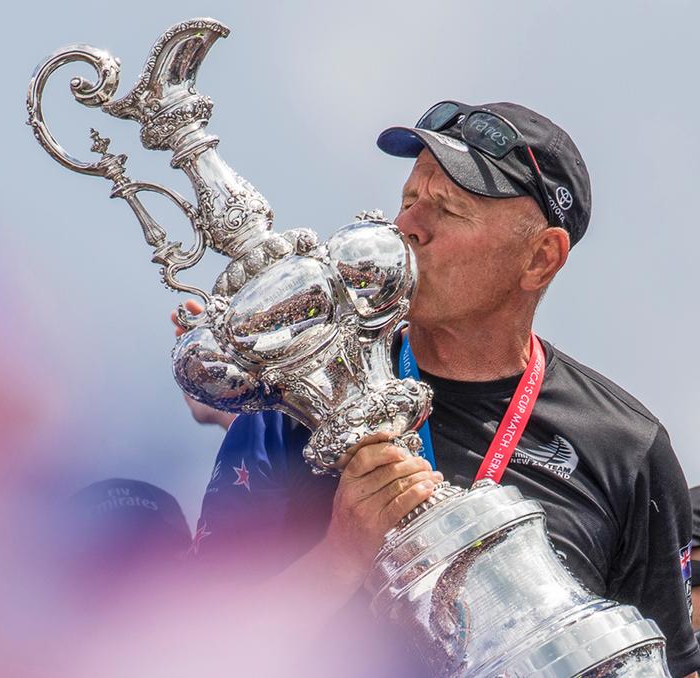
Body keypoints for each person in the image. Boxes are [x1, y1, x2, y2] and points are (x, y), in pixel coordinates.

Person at [179, 101, 700, 676]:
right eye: (408, 201)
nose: (406, 228)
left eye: (447, 210)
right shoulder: (294, 408)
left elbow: (662, 665)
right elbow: (179, 645)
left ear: (540, 258)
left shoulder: (626, 448)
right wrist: (340, 554)